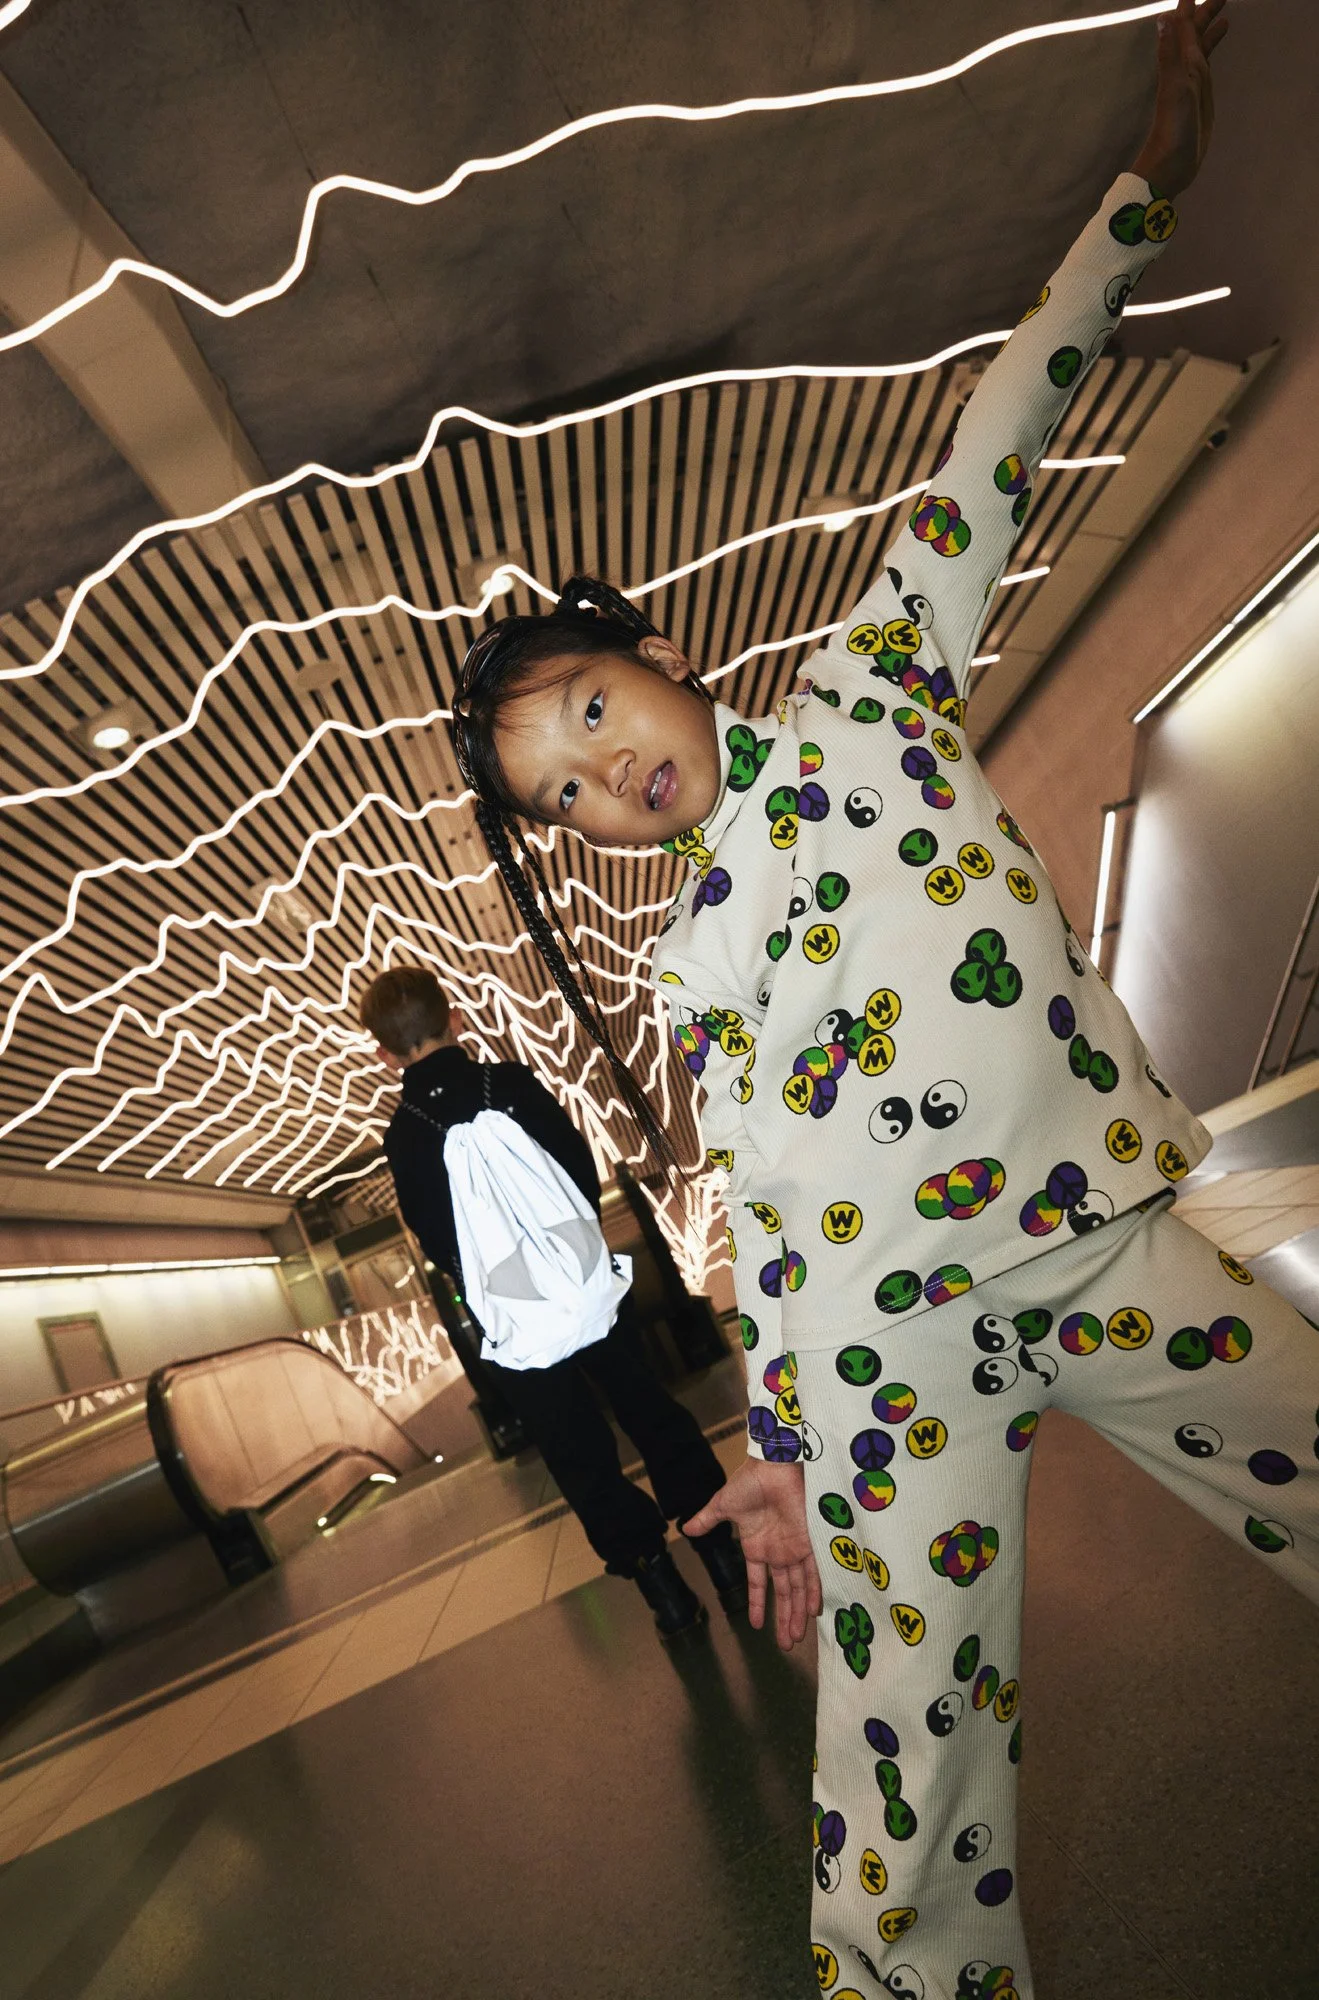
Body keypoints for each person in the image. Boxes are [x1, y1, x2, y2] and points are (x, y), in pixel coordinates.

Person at [445, 4, 1319, 1989]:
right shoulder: (687, 955)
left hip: (1087, 1235)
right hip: (871, 1358)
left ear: (655, 651)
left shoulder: (871, 684)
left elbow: (995, 430)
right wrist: (769, 1433)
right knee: (898, 1772)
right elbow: (752, 1190)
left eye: (588, 717)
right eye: (555, 796)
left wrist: (1134, 200)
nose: (598, 780)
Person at [359, 964, 748, 1638]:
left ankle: (665, 1595)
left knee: (577, 1451)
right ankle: (723, 1559)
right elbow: (575, 1166)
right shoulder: (508, 1084)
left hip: (514, 1320)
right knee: (650, 1411)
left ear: (384, 1053)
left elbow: (437, 1240)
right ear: (455, 1019)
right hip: (585, 1286)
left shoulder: (404, 1136)